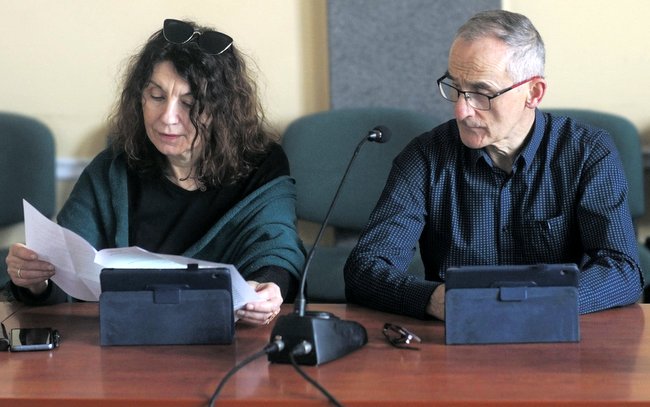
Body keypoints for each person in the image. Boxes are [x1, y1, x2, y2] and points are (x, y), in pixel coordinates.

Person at [344, 10, 643, 320]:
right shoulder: (425, 157)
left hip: (556, 329)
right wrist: (432, 299)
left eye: (481, 93)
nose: (461, 111)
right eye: (455, 87)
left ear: (533, 92)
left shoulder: (587, 152)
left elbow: (623, 271)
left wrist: (533, 304)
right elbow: (364, 269)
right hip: (456, 330)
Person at [4, 18, 305, 326]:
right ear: (140, 97)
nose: (167, 117)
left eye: (189, 103)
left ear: (221, 110)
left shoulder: (261, 165)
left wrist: (267, 289)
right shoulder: (113, 168)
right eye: (157, 97)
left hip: (228, 335)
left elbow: (276, 250)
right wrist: (35, 281)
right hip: (126, 334)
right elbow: (65, 275)